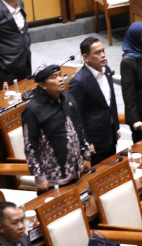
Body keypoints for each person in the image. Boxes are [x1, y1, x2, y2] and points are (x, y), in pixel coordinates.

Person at [22, 63, 91, 193]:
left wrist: (86, 155)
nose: (60, 79)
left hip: (77, 171)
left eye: (60, 75)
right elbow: (30, 146)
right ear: (42, 85)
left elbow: (78, 127)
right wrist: (39, 176)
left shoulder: (68, 97)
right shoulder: (32, 110)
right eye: (54, 77)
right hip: (52, 180)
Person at [68, 37, 119, 166]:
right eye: (97, 53)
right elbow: (77, 116)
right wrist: (86, 142)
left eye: (103, 51)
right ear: (86, 57)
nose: (103, 55)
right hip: (94, 142)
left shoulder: (107, 71)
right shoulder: (78, 82)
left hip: (110, 135)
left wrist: (116, 126)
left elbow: (111, 103)